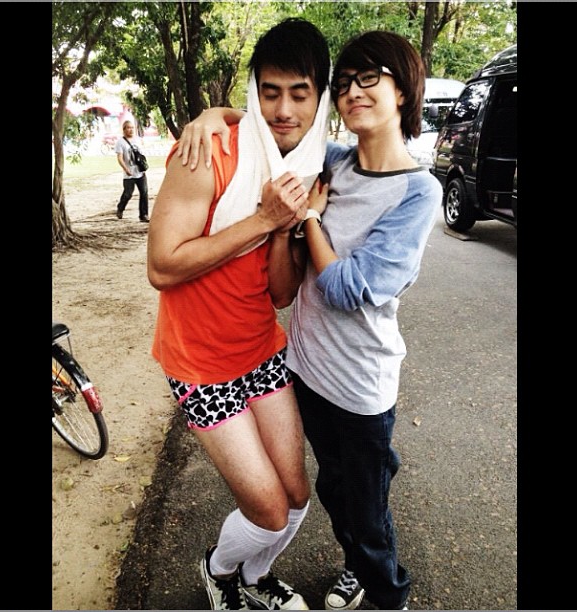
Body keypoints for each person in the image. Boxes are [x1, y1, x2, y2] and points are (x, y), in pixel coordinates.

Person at [178, 29, 443, 611]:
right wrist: (211, 115)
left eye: (370, 79)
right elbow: (275, 119)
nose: (353, 92)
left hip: (361, 384)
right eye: (344, 83)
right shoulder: (332, 162)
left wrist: (310, 221)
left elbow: (348, 288)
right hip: (304, 370)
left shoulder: (418, 192)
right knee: (333, 487)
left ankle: (387, 593)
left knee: (367, 508)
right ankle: (354, 565)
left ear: (404, 91)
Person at [147, 18, 333, 611]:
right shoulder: (206, 152)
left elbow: (280, 295)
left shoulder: (307, 166)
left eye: (299, 93)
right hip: (200, 364)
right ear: (254, 91)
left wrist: (281, 228)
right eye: (269, 92)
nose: (283, 110)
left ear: (320, 97)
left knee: (297, 496)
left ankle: (256, 578)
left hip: (259, 349)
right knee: (268, 509)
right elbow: (162, 267)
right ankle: (219, 571)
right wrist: (261, 218)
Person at [115, 120, 150, 222]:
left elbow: (141, 155)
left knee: (144, 192)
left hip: (140, 172)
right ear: (124, 129)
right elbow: (120, 158)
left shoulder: (137, 140)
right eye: (128, 128)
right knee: (128, 193)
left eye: (132, 127)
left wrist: (143, 166)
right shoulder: (120, 142)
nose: (131, 130)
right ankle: (120, 208)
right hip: (129, 173)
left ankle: (143, 215)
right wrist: (125, 169)